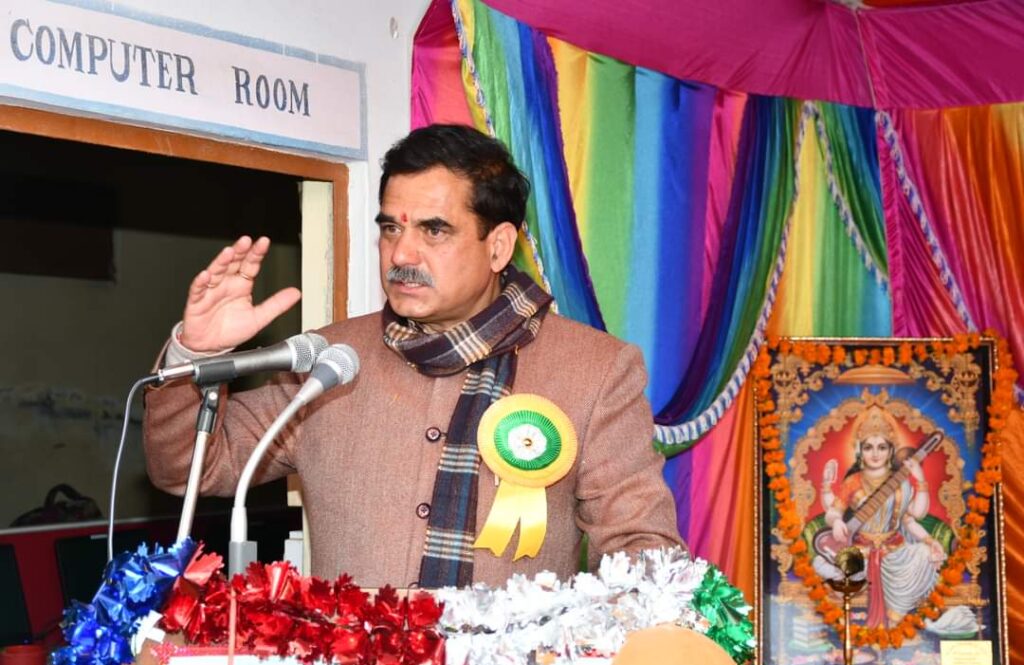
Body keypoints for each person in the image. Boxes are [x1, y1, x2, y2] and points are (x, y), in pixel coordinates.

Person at [143, 124, 682, 589]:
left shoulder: (595, 370)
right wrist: (196, 353)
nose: (401, 253)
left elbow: (643, 552)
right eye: (391, 228)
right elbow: (190, 469)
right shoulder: (330, 360)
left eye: (434, 230)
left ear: (498, 246)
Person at [817, 405, 945, 628]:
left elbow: (914, 517)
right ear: (860, 451)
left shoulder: (901, 483)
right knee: (819, 562)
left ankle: (894, 624)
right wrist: (836, 521)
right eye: (868, 447)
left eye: (881, 447)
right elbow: (834, 512)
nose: (875, 454)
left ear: (890, 451)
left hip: (894, 552)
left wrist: (930, 540)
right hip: (860, 552)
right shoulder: (853, 481)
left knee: (925, 555)